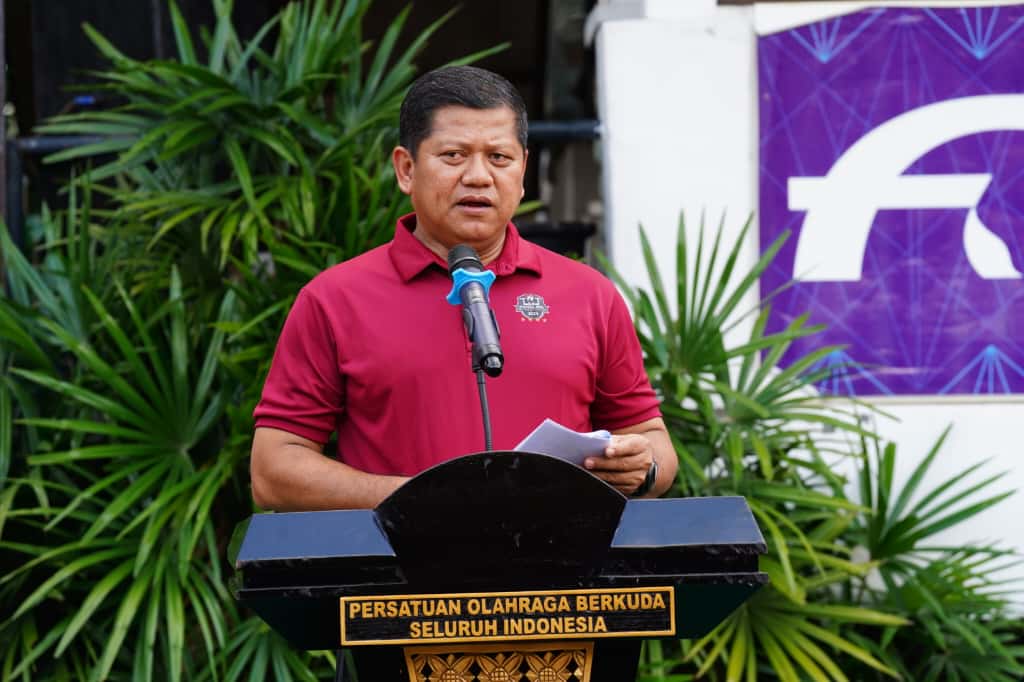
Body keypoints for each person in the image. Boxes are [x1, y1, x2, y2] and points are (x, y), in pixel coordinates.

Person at [250, 65, 676, 511]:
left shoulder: (589, 294)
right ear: (406, 169)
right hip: (396, 555)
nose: (478, 176)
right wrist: (425, 503)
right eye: (454, 155)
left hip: (560, 554)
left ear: (523, 170)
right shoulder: (334, 299)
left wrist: (641, 467)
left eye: (499, 158)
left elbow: (653, 443)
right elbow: (274, 470)